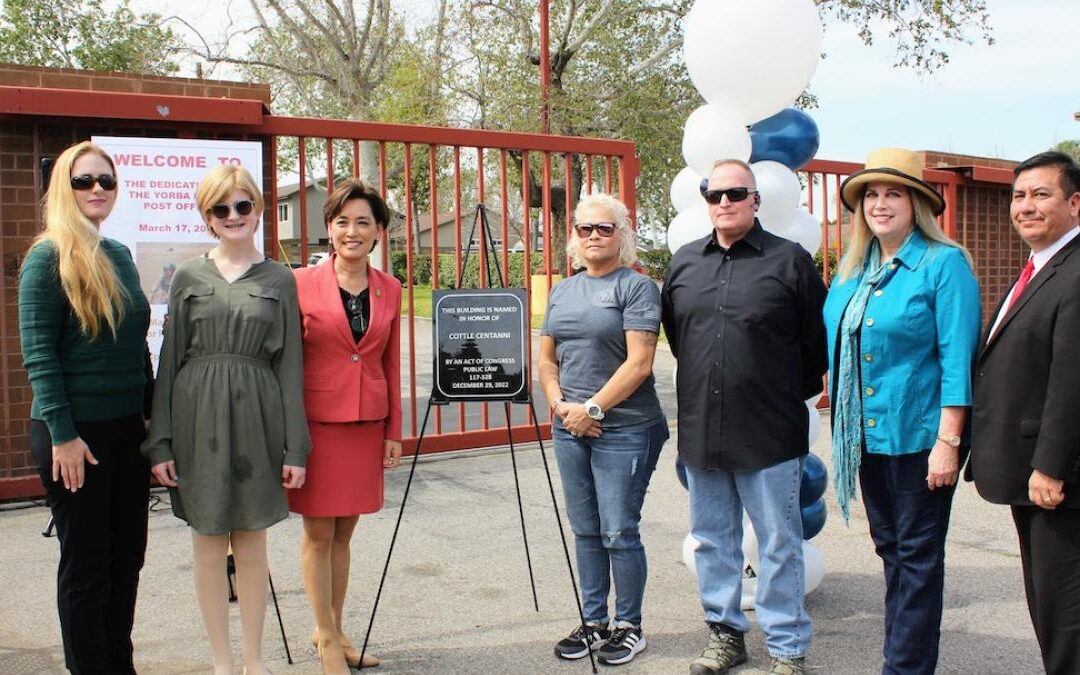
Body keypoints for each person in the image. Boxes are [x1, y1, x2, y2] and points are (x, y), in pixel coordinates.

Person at [662, 159, 827, 675]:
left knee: (779, 542)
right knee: (713, 541)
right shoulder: (685, 263)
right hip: (703, 429)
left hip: (770, 430)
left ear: (755, 200)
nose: (724, 203)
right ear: (705, 201)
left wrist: (772, 390)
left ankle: (786, 648)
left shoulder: (791, 261)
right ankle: (725, 634)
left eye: (736, 194)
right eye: (714, 195)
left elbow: (814, 349)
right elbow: (677, 337)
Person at [142, 165, 309, 675]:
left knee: (253, 543)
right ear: (207, 216)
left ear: (258, 210)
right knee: (209, 544)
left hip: (258, 420)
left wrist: (295, 449)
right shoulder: (190, 274)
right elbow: (169, 363)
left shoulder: (280, 277)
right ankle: (221, 662)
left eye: (243, 206)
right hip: (198, 423)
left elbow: (290, 367)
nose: (233, 216)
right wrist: (160, 442)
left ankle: (254, 661)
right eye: (222, 208)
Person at [823, 148, 981, 675]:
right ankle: (905, 657)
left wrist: (949, 441)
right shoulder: (852, 271)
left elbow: (957, 360)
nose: (881, 204)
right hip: (866, 439)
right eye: (872, 194)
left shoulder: (943, 264)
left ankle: (904, 668)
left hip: (919, 439)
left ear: (918, 204)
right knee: (892, 551)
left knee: (916, 558)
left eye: (894, 193)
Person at [19, 141, 152, 674]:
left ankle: (119, 664)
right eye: (83, 181)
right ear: (63, 189)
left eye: (106, 180)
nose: (97, 189)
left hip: (125, 429)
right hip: (74, 434)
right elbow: (38, 352)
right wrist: (62, 434)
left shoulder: (116, 253)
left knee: (128, 559)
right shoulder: (47, 257)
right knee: (88, 564)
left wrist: (147, 414)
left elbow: (135, 343)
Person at [538, 193, 668, 666]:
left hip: (627, 428)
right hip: (570, 424)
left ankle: (629, 626)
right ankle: (594, 622)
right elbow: (548, 360)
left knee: (618, 530)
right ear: (573, 236)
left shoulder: (636, 288)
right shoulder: (562, 291)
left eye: (604, 228)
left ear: (622, 235)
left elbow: (639, 363)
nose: (593, 236)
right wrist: (560, 406)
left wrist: (591, 410)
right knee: (585, 529)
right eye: (585, 228)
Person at [969, 151, 1080, 675]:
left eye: (1041, 195)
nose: (1025, 206)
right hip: (1030, 473)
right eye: (1019, 196)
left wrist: (1051, 466)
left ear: (1075, 203)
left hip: (1059, 482)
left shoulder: (1075, 271)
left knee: (1066, 615)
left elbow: (1072, 381)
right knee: (1047, 603)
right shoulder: (1040, 267)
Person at [288, 179, 403, 673]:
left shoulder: (390, 288)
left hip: (365, 426)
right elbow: (287, 364)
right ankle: (329, 643)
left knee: (345, 536)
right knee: (318, 534)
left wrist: (393, 429)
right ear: (328, 229)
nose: (352, 231)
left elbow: (392, 363)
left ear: (378, 231)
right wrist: (289, 437)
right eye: (342, 222)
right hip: (317, 427)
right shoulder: (298, 284)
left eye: (363, 222)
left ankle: (332, 629)